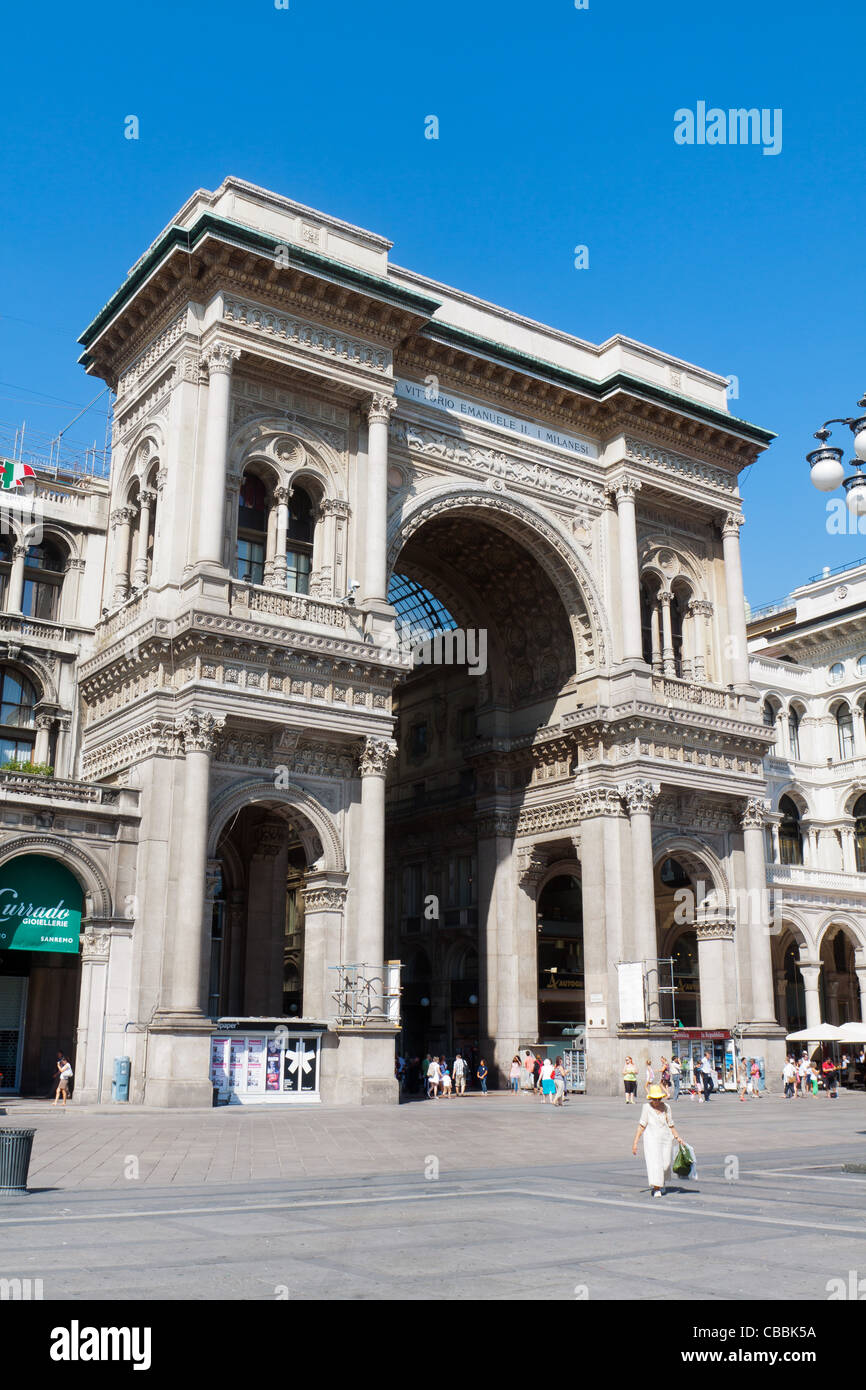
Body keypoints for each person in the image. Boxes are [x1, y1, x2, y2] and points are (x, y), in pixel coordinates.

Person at [632, 1084, 685, 1198]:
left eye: (659, 1098)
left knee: (666, 1164)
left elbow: (671, 1125)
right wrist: (635, 1142)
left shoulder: (666, 1107)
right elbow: (641, 1125)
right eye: (654, 1099)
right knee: (655, 1164)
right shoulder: (646, 1108)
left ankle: (662, 1182)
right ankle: (656, 1187)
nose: (657, 1101)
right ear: (650, 1098)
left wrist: (678, 1137)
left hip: (666, 1138)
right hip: (651, 1140)